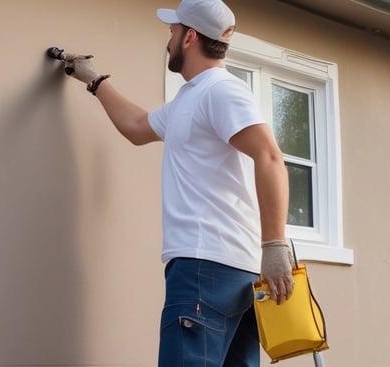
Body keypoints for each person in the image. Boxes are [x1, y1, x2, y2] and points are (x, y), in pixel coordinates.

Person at [61, 0, 295, 365]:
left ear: (189, 37)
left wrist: (275, 244)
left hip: (205, 268)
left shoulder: (221, 91)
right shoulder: (191, 97)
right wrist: (94, 79)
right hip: (233, 274)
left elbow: (270, 157)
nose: (167, 37)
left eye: (172, 30)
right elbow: (138, 128)